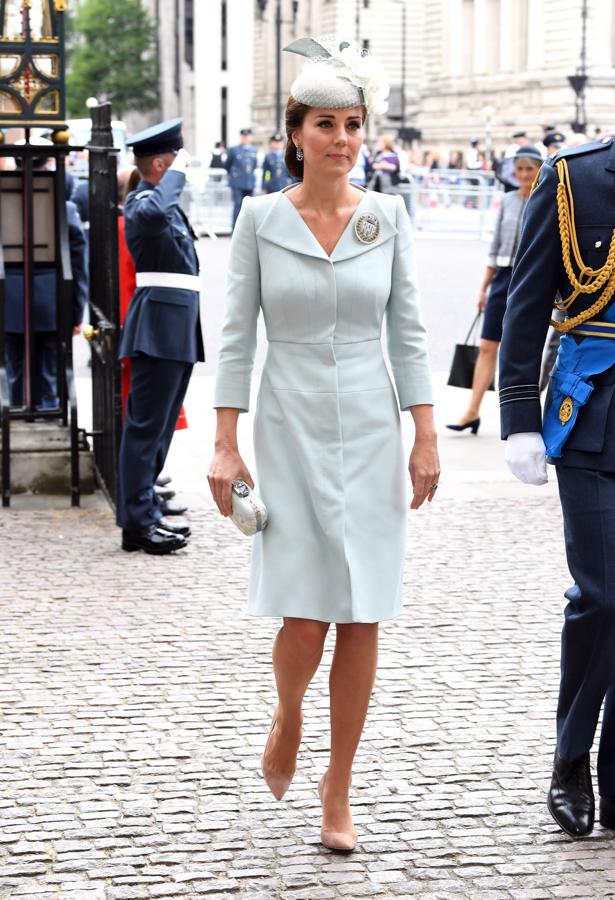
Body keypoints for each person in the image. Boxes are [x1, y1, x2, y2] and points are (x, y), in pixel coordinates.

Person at [208, 36, 439, 853]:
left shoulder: (389, 216)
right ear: (294, 134)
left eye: (352, 125)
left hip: (373, 426)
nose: (341, 140)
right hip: (289, 421)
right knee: (305, 620)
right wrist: (225, 445)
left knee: (364, 613)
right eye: (324, 126)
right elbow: (235, 338)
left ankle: (337, 788)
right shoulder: (260, 218)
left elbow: (408, 332)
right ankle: (287, 715)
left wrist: (425, 435)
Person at [499, 134, 615, 838]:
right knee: (603, 594)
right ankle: (570, 758)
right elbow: (527, 293)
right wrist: (517, 413)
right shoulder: (574, 177)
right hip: (594, 409)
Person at [116, 118, 204, 555]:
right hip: (158, 328)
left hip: (177, 328)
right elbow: (153, 216)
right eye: (172, 163)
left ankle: (145, 509)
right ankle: (137, 521)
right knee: (145, 428)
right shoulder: (143, 202)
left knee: (161, 429)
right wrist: (178, 176)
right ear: (158, 163)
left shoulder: (159, 201)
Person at [447, 145, 543, 433]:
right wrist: (484, 288)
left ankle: (520, 415)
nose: (524, 174)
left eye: (530, 168)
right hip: (502, 277)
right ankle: (472, 411)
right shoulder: (507, 200)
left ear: (539, 170)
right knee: (488, 345)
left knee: (522, 349)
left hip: (531, 279)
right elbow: (494, 247)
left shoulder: (546, 200)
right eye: (520, 169)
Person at [4, 140, 87, 408]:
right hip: (51, 299)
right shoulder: (66, 208)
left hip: (10, 298)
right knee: (51, 371)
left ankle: (16, 420)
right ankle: (51, 418)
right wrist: (76, 311)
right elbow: (77, 265)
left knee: (15, 370)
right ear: (49, 165)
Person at [225, 127, 258, 228]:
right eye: (244, 136)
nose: (246, 138)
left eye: (247, 136)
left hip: (249, 182)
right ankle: (235, 228)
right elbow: (227, 165)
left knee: (249, 207)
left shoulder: (253, 150)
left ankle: (247, 228)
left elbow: (254, 165)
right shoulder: (234, 150)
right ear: (241, 137)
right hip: (237, 182)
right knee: (238, 205)